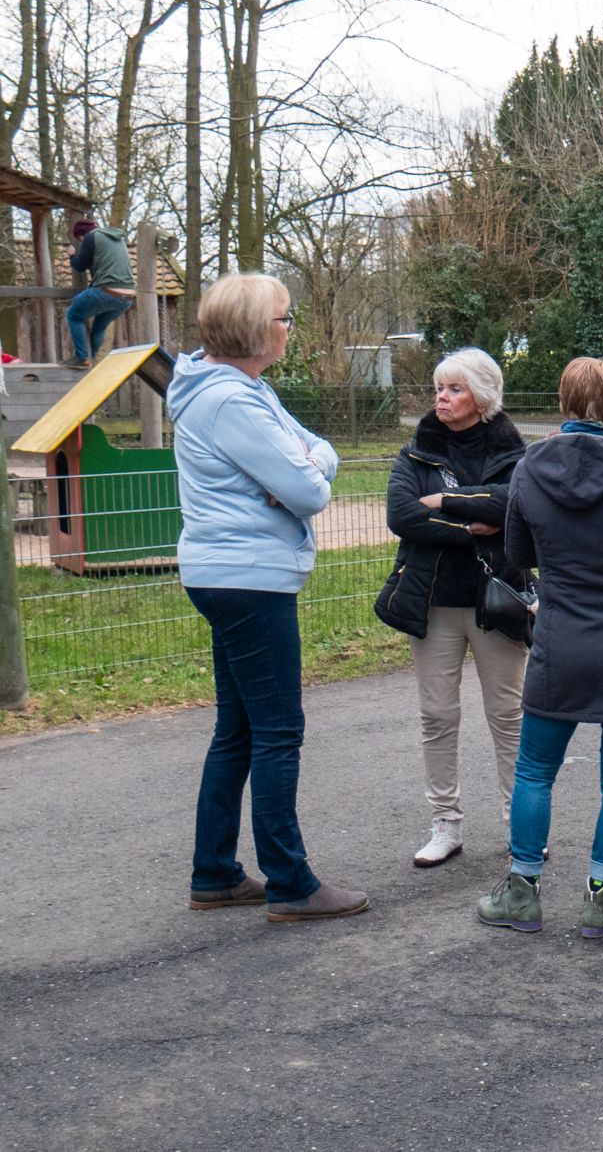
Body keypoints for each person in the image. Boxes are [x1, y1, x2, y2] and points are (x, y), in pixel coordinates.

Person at [168, 273, 367, 922]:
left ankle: (215, 872)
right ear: (256, 329)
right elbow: (310, 491)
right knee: (278, 731)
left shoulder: (246, 389)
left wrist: (306, 467)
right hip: (249, 579)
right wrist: (302, 473)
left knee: (238, 728)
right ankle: (290, 882)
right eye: (284, 318)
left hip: (227, 573)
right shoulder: (233, 402)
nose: (290, 328)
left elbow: (318, 456)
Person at [477, 359, 603, 939]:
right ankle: (602, 897)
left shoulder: (529, 467)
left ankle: (522, 891)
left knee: (535, 771)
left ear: (565, 402)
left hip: (560, 637)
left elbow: (518, 553)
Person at [377, 348, 528, 869]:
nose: (441, 397)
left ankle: (521, 823)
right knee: (437, 716)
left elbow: (514, 505)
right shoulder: (415, 453)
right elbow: (402, 516)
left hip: (498, 601)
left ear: (482, 396)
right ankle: (446, 823)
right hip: (434, 604)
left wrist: (443, 501)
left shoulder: (515, 452)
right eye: (439, 388)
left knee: (508, 715)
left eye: (454, 389)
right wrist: (474, 527)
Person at [64, 218, 135, 369]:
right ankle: (91, 358)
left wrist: (72, 255)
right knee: (99, 327)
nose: (82, 243)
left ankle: (82, 358)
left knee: (73, 314)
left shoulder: (91, 237)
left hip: (108, 292)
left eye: (80, 240)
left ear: (81, 235)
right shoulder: (115, 238)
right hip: (127, 297)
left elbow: (80, 265)